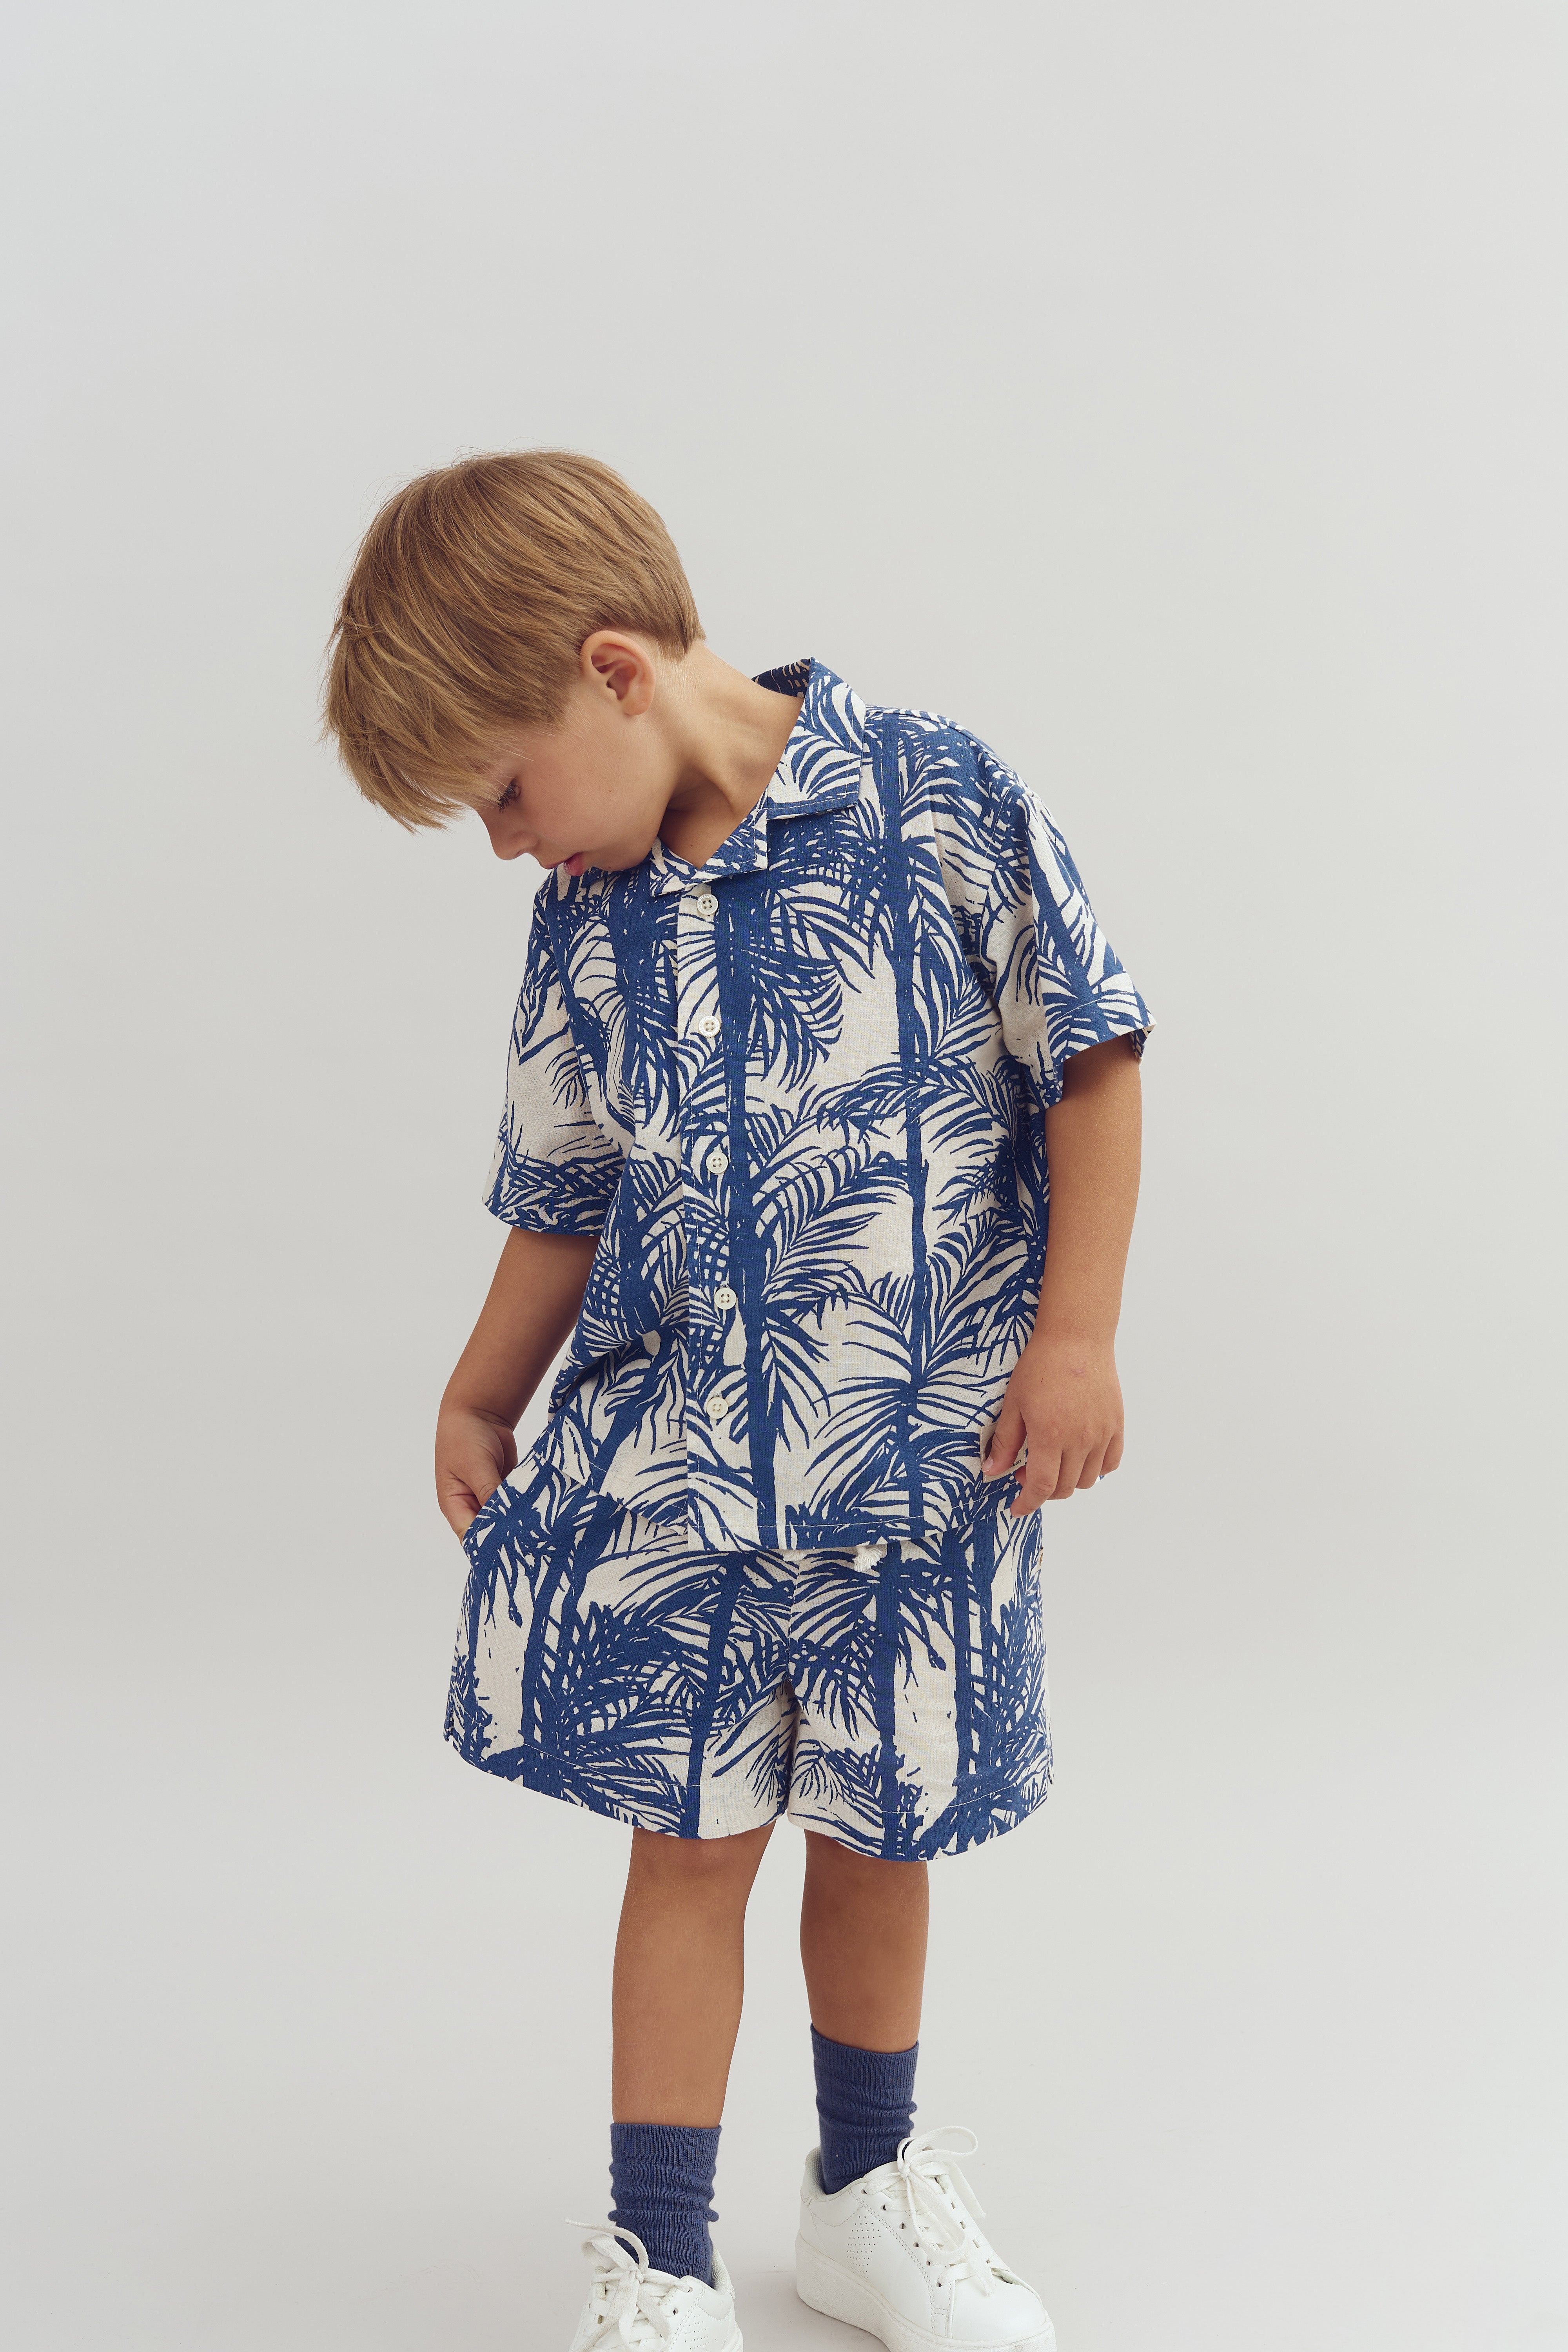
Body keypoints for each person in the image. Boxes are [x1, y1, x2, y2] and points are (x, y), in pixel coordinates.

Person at [324, 451, 1150, 2352]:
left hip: (927, 1463)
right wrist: (479, 1391)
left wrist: (1079, 1337)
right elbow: (564, 1189)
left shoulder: (934, 800)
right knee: (687, 1847)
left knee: (880, 1834)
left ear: (613, 670)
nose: (512, 849)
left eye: (506, 796)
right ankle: (661, 2259)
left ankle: (864, 2191)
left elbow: (1088, 1054)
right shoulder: (588, 922)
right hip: (686, 1473)